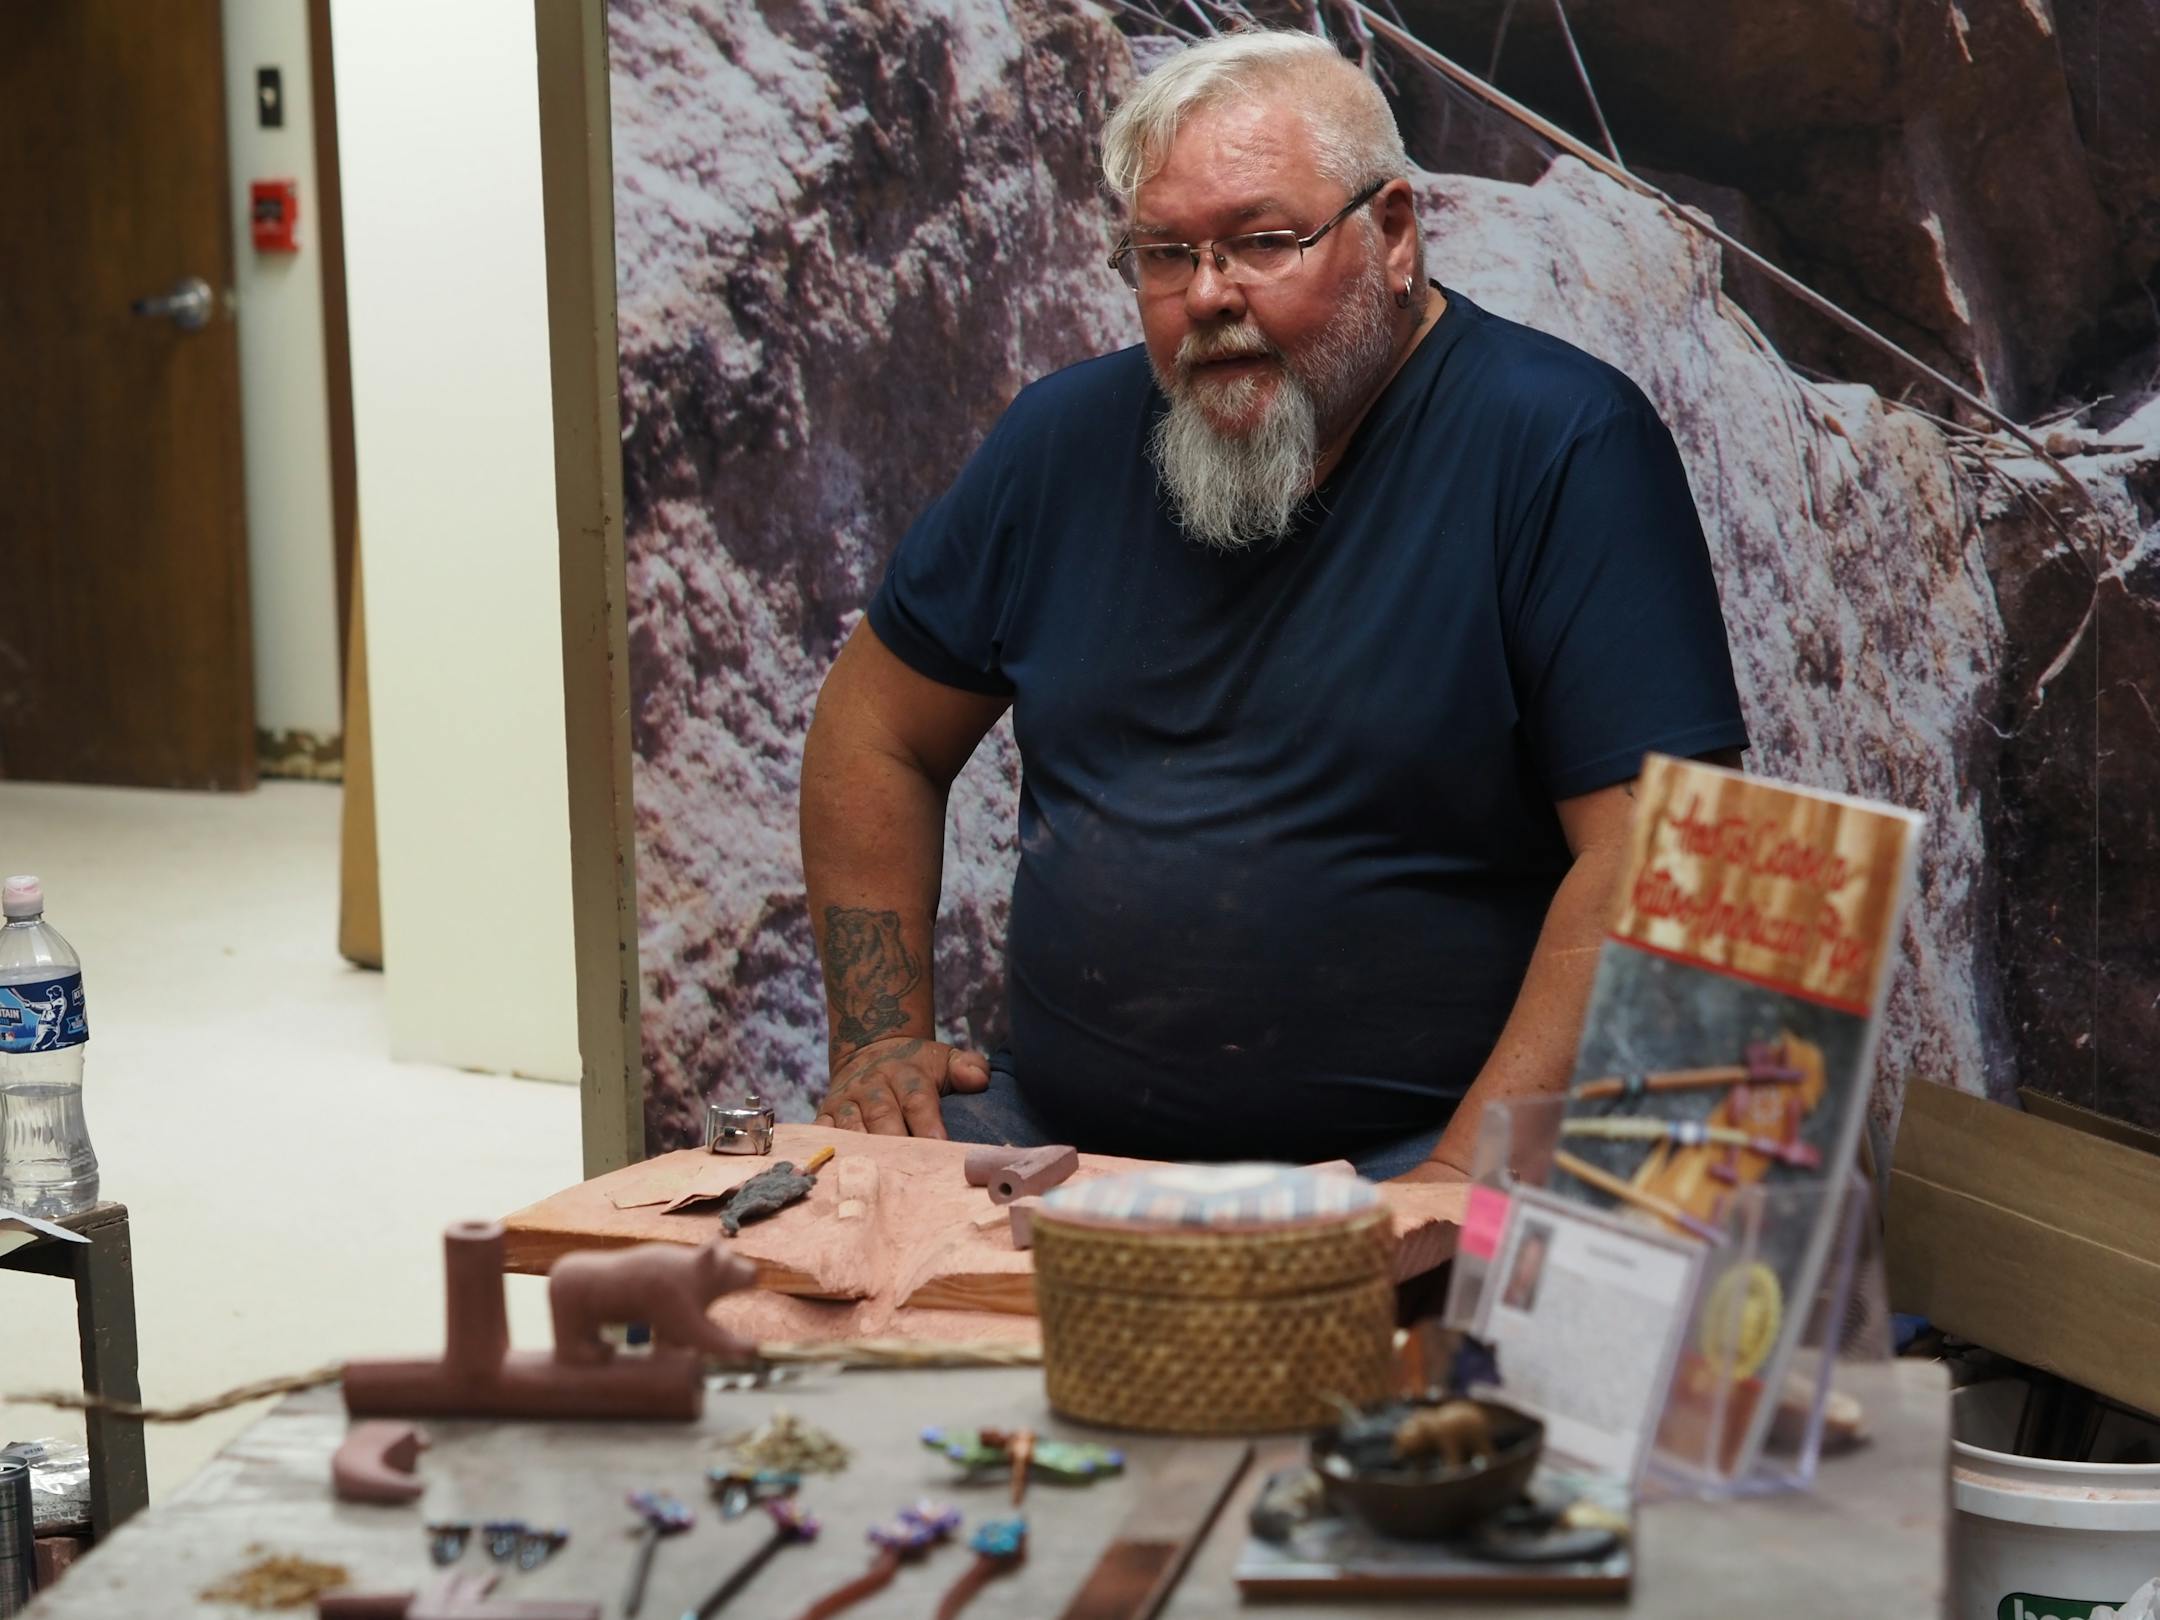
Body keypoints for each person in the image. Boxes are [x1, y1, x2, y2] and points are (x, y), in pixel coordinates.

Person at [797, 30, 1746, 1179]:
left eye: (1261, 242)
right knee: (779, 1297)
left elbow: (1655, 860)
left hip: (1421, 1153)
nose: (1208, 297)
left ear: (1393, 233)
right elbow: (875, 729)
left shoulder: (1565, 446)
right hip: (1054, 1139)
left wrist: (1453, 1191)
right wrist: (879, 1038)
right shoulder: (1060, 443)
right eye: (1165, 255)